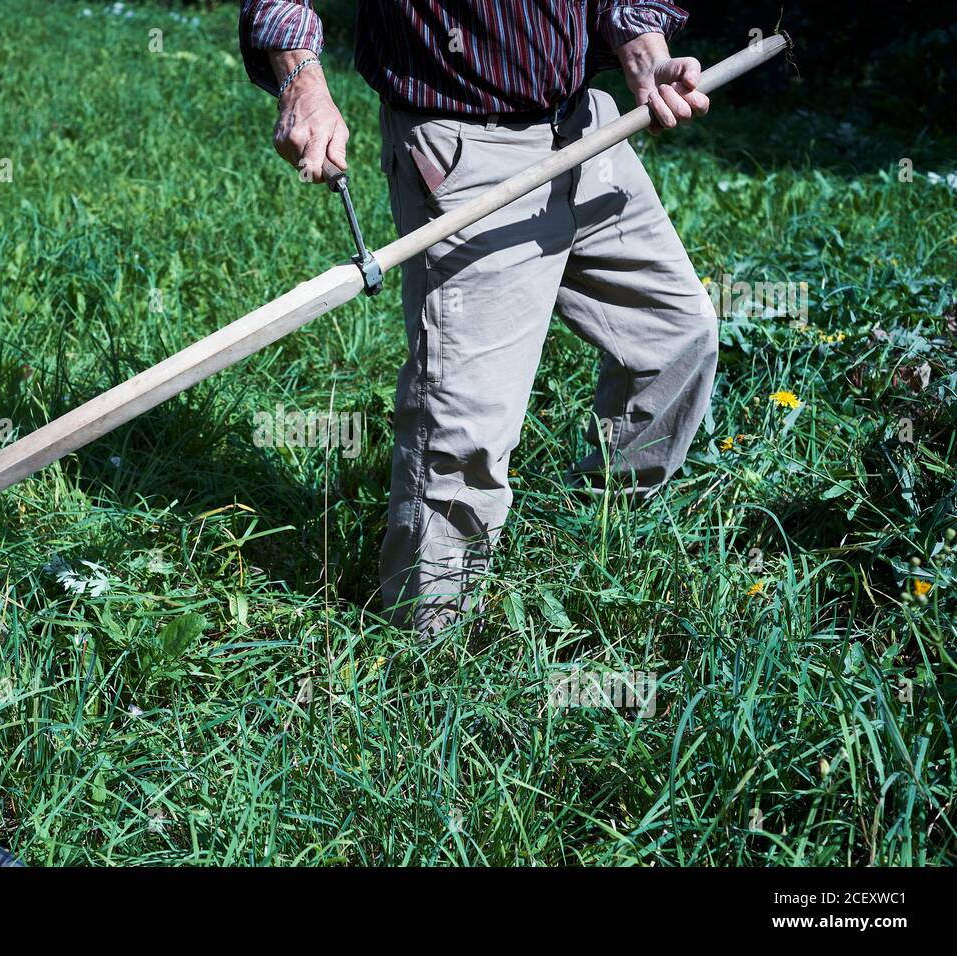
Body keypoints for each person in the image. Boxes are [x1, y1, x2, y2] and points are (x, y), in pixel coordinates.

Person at [240, 2, 717, 635]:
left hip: (584, 127)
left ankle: (596, 536)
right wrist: (301, 79)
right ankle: (428, 654)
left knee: (676, 335)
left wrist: (643, 47)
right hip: (466, 148)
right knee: (465, 433)